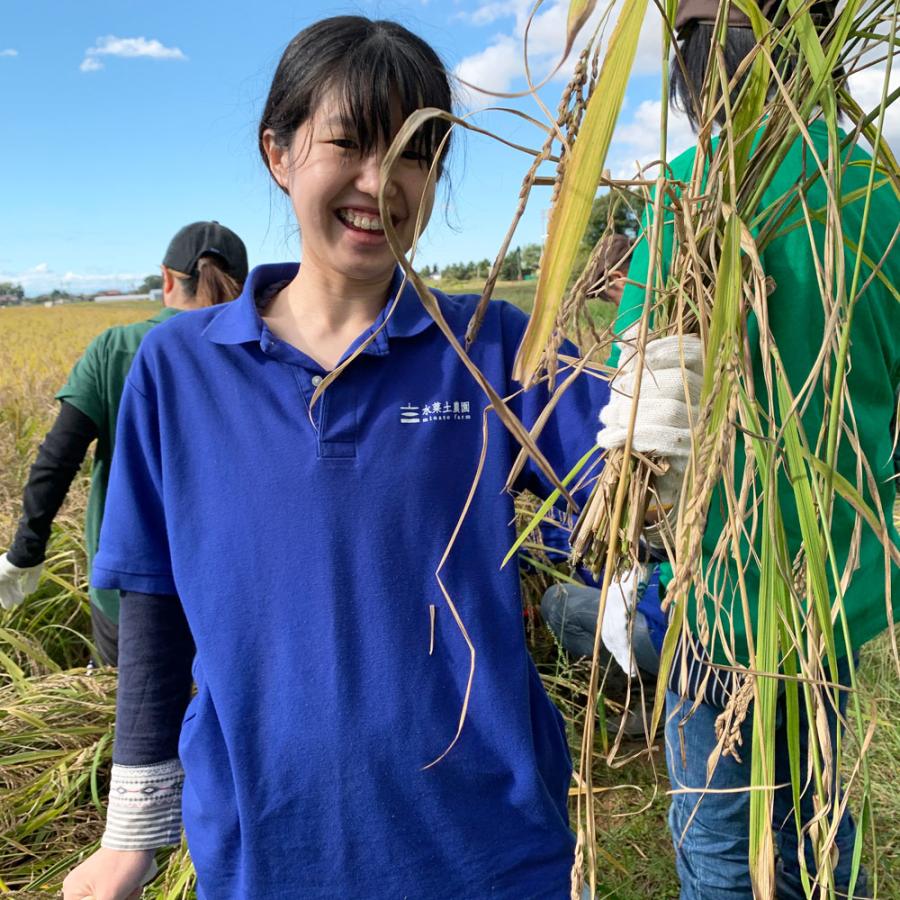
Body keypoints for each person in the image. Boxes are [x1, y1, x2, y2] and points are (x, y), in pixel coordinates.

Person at [60, 17, 696, 900]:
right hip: (266, 850)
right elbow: (156, 605)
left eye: (413, 153)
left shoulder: (492, 345)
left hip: (487, 849)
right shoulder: (180, 370)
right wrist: (133, 830)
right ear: (278, 152)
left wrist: (667, 437)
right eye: (350, 143)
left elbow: (633, 509)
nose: (380, 183)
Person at [607, 1, 899, 897]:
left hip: (718, 608)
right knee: (815, 818)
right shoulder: (876, 193)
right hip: (836, 596)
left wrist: (629, 553)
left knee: (726, 846)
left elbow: (637, 441)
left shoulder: (690, 196)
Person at [0, 222, 248, 664]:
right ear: (244, 285)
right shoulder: (259, 349)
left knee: (137, 714)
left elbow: (58, 460)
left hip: (129, 585)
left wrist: (25, 551)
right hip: (235, 586)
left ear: (167, 278)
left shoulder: (116, 347)